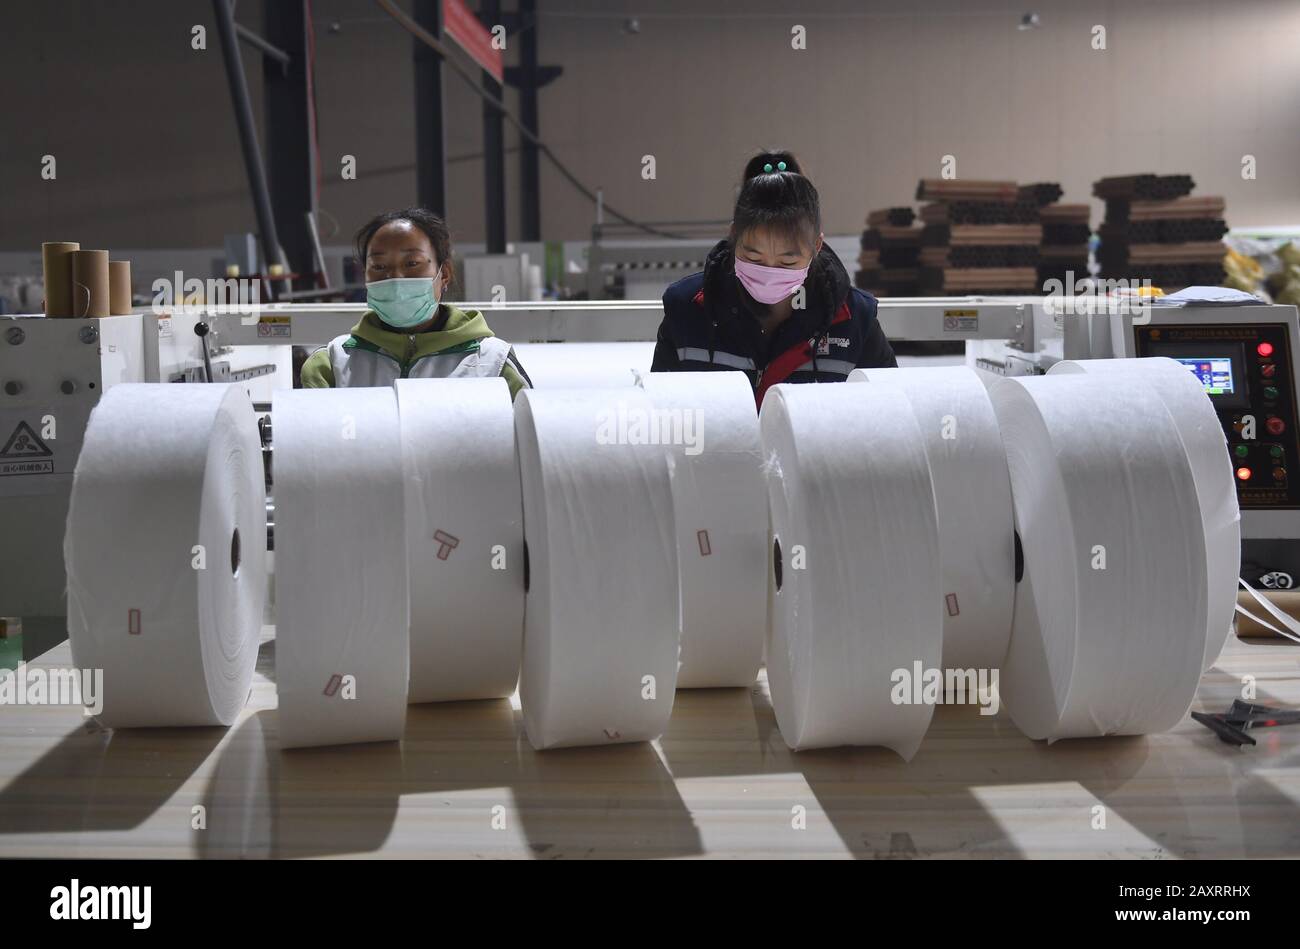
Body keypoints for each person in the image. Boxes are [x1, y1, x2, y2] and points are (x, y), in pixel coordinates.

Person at [653, 151, 895, 403]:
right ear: (733, 235)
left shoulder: (853, 318)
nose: (769, 274)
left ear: (817, 246)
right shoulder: (687, 309)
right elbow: (662, 413)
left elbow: (889, 414)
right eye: (753, 257)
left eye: (787, 261)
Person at [301, 207, 531, 396]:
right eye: (379, 267)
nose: (395, 278)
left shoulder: (494, 363)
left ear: (445, 274)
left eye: (412, 264)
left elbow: (533, 441)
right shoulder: (331, 364)